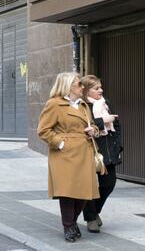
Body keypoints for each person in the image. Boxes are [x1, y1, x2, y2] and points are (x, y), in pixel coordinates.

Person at [37, 72, 100, 243]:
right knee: (68, 193)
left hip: (84, 152)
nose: (82, 87)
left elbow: (92, 124)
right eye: (79, 84)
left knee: (84, 193)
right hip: (64, 155)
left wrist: (93, 130)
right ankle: (68, 226)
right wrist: (61, 143)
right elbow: (43, 130)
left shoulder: (83, 105)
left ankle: (72, 222)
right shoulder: (55, 104)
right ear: (69, 86)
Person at [80, 75, 123, 233]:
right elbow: (82, 126)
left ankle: (95, 211)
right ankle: (91, 218)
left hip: (107, 150)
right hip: (89, 149)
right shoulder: (82, 106)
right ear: (85, 90)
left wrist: (117, 146)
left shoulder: (105, 103)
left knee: (108, 184)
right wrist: (102, 121)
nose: (101, 90)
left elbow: (116, 125)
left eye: (100, 87)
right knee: (89, 186)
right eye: (96, 88)